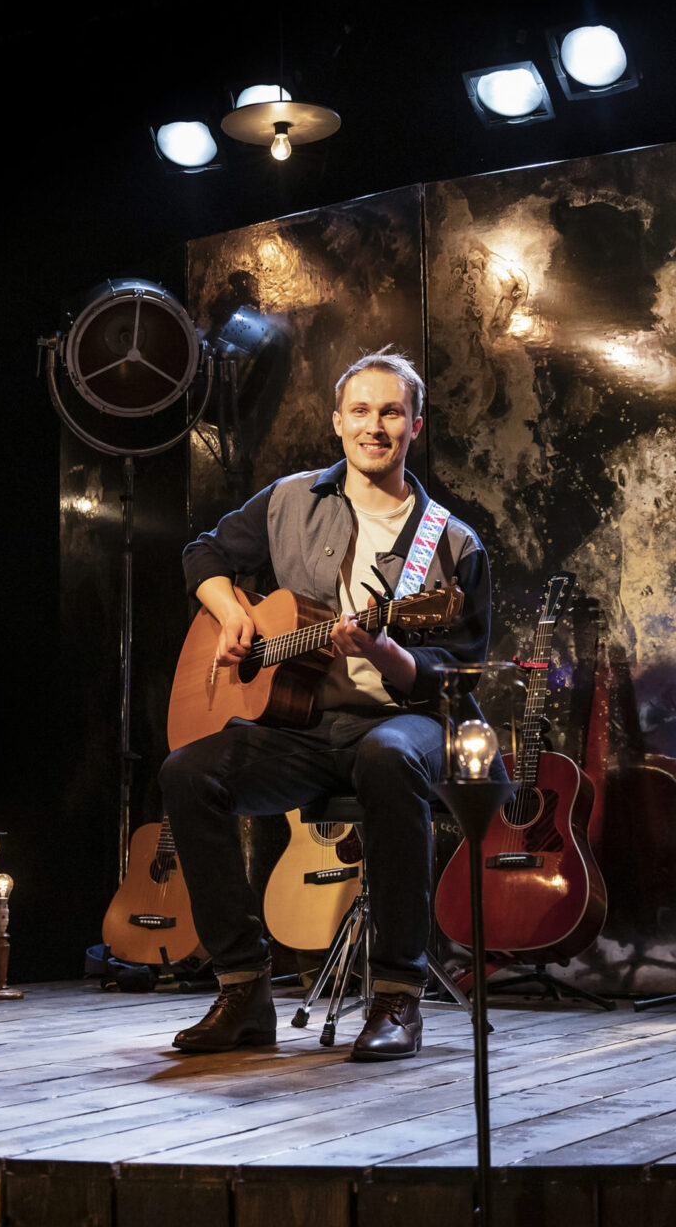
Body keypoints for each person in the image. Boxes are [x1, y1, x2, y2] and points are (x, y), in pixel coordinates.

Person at [159, 348, 492, 1061]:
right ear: (337, 421)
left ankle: (397, 996)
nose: (375, 426)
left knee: (387, 756)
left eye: (392, 413)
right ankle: (244, 989)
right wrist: (232, 614)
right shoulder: (289, 500)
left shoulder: (452, 542)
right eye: (361, 411)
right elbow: (202, 555)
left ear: (415, 426)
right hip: (306, 728)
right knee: (187, 773)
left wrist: (384, 651)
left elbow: (458, 674)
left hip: (409, 724)